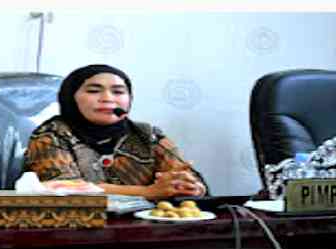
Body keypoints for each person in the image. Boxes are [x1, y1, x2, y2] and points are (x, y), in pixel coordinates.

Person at [24, 64, 208, 200]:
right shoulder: (50, 135)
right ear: (70, 98)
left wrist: (190, 186)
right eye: (94, 91)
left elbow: (183, 174)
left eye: (118, 92)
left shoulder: (147, 134)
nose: (107, 98)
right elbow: (65, 189)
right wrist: (148, 192)